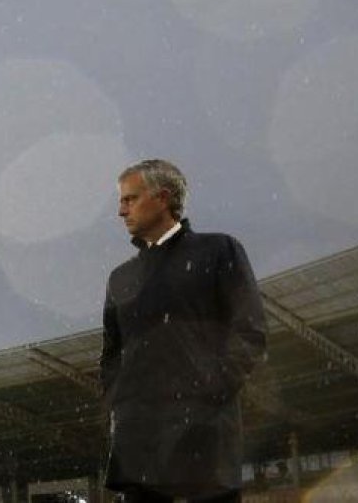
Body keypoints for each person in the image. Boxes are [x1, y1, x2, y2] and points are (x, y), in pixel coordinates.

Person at [100, 159, 267, 502]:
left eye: (130, 199)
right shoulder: (120, 278)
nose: (121, 211)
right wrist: (121, 405)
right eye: (121, 201)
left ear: (162, 198)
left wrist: (206, 395)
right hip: (139, 442)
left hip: (204, 435)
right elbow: (110, 355)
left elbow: (250, 331)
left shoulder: (219, 250)